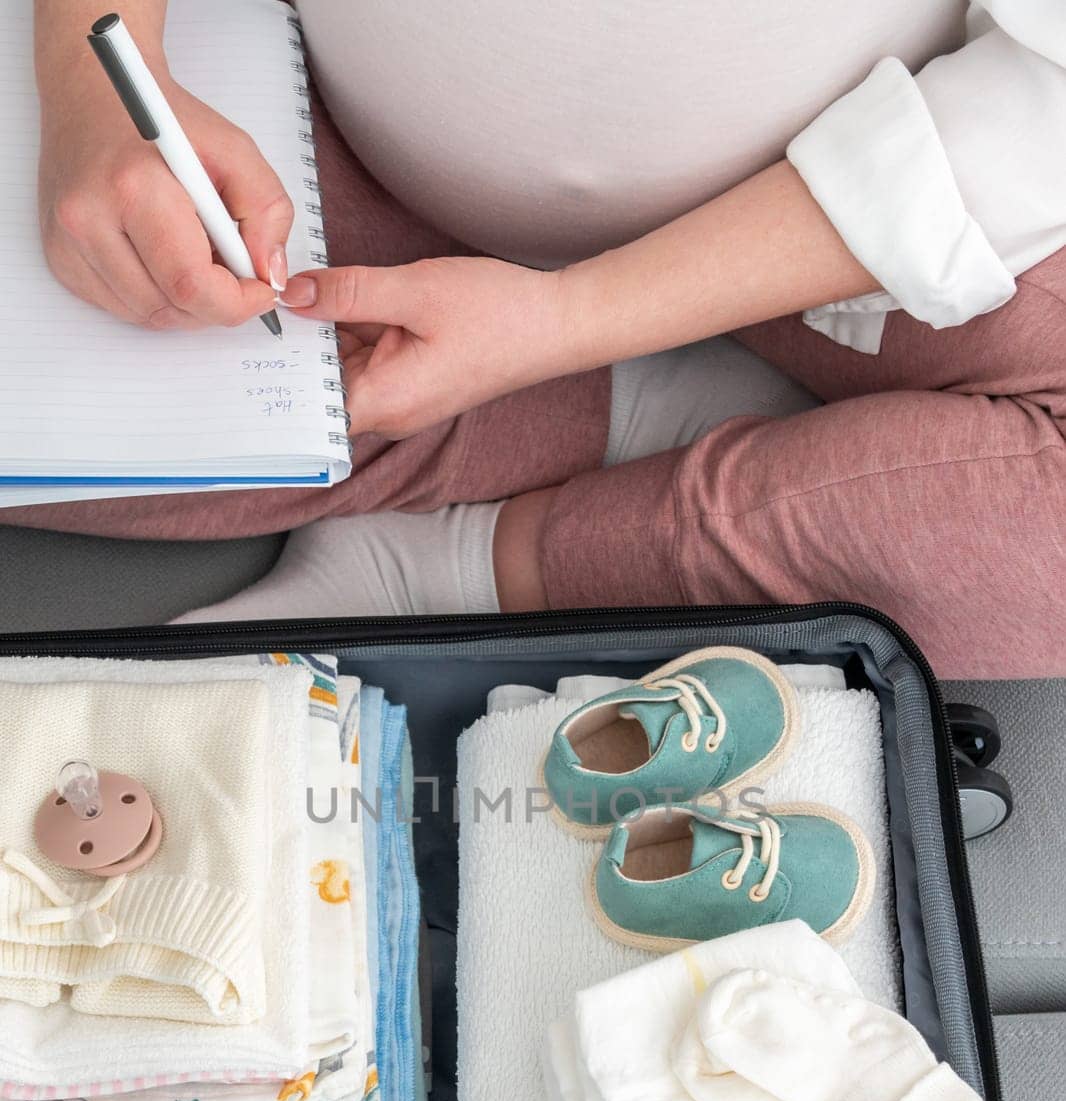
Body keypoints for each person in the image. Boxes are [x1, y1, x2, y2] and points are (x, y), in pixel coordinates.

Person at [18, 0, 1066, 677]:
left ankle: (459, 564)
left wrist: (572, 317)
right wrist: (94, 78)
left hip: (835, 219)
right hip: (306, 147)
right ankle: (649, 416)